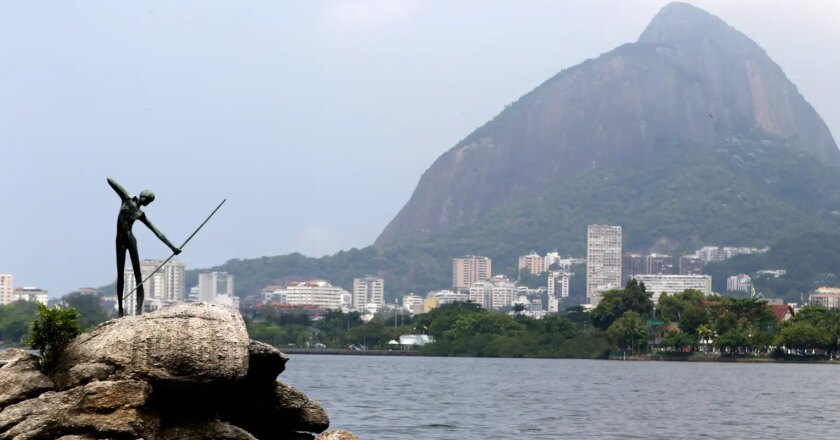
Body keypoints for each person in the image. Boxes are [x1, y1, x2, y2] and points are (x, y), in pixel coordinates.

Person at [107, 178, 181, 316]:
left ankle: (138, 309)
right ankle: (121, 311)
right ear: (144, 197)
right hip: (119, 240)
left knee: (138, 276)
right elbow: (110, 180)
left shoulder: (141, 214)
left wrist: (173, 248)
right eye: (148, 201)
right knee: (120, 275)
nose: (147, 204)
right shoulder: (127, 200)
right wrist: (126, 193)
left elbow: (157, 232)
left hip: (130, 240)